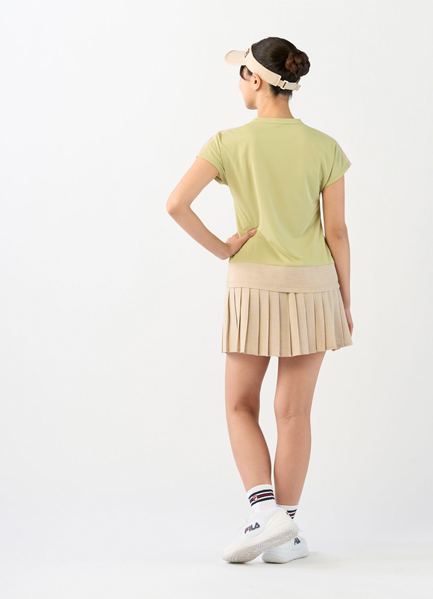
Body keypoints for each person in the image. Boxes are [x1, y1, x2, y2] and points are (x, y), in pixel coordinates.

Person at [166, 37, 354, 564]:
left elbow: (176, 204)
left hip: (252, 285)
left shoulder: (228, 142)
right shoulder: (325, 146)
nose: (238, 84)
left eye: (241, 74)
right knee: (293, 412)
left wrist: (223, 248)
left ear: (256, 79)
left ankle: (263, 513)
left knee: (240, 405)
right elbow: (337, 232)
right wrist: (344, 299)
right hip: (316, 287)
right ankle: (286, 534)